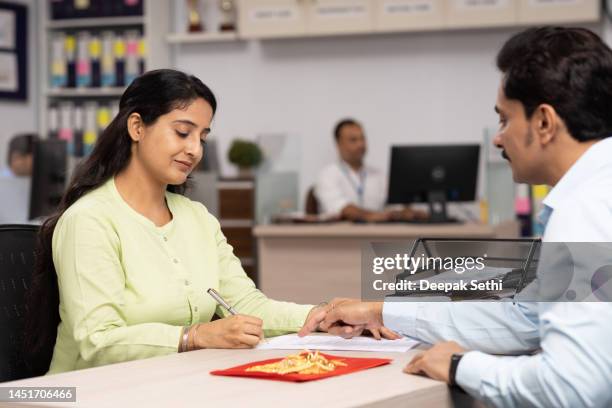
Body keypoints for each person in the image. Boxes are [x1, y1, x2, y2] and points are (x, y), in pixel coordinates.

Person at [300, 27, 612, 407]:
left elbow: (573, 389)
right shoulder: (595, 192)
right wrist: (381, 311)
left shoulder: (586, 209)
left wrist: (460, 365)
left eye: (504, 120)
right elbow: (525, 316)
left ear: (544, 123)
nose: (498, 139)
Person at [23, 69, 350, 375]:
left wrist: (320, 316)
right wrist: (195, 336)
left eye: (202, 138)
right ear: (137, 127)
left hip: (170, 383)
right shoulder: (90, 220)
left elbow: (249, 305)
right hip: (88, 393)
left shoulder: (197, 218)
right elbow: (98, 340)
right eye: (182, 132)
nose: (194, 150)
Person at [314, 119, 425, 222]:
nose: (361, 144)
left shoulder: (379, 175)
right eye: (353, 140)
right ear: (338, 144)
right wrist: (373, 216)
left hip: (376, 235)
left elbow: (395, 206)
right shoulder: (327, 175)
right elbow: (342, 208)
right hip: (339, 238)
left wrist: (407, 212)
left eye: (362, 138)